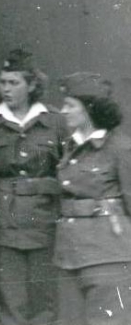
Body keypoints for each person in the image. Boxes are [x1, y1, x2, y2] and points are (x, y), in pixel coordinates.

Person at [0, 49, 68, 325]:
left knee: (44, 300)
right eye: (2, 82)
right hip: (5, 223)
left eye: (13, 83)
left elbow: (67, 171)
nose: (6, 89)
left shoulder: (55, 122)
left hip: (44, 222)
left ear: (31, 85)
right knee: (9, 301)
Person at [55, 72, 131, 325]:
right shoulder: (71, 146)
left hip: (109, 257)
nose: (63, 111)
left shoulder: (121, 148)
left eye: (70, 105)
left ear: (89, 108)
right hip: (70, 256)